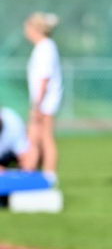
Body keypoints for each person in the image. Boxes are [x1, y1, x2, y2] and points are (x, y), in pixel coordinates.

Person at [24, 12, 63, 182]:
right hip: (42, 101)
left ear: (35, 29)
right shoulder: (42, 47)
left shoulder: (46, 47)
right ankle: (31, 173)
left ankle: (49, 176)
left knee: (45, 137)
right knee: (34, 138)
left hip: (45, 102)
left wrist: (37, 105)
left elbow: (44, 79)